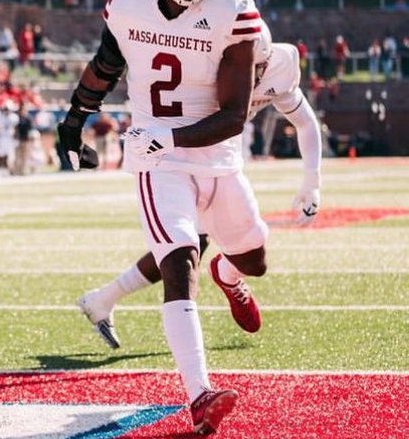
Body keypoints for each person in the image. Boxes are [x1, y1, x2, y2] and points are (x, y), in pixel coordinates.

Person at [56, 0, 266, 436]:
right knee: (179, 258)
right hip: (157, 160)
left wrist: (169, 136)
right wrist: (75, 117)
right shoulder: (129, 2)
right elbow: (106, 65)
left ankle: (230, 276)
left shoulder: (234, 12)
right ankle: (199, 395)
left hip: (214, 154)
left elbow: (233, 116)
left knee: (254, 259)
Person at [76, 21, 323, 348]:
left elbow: (304, 121)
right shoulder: (200, 68)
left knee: (241, 259)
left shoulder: (280, 66)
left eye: (256, 66)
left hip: (218, 163)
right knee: (183, 251)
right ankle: (195, 380)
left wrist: (312, 181)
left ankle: (108, 298)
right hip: (175, 160)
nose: (250, 73)